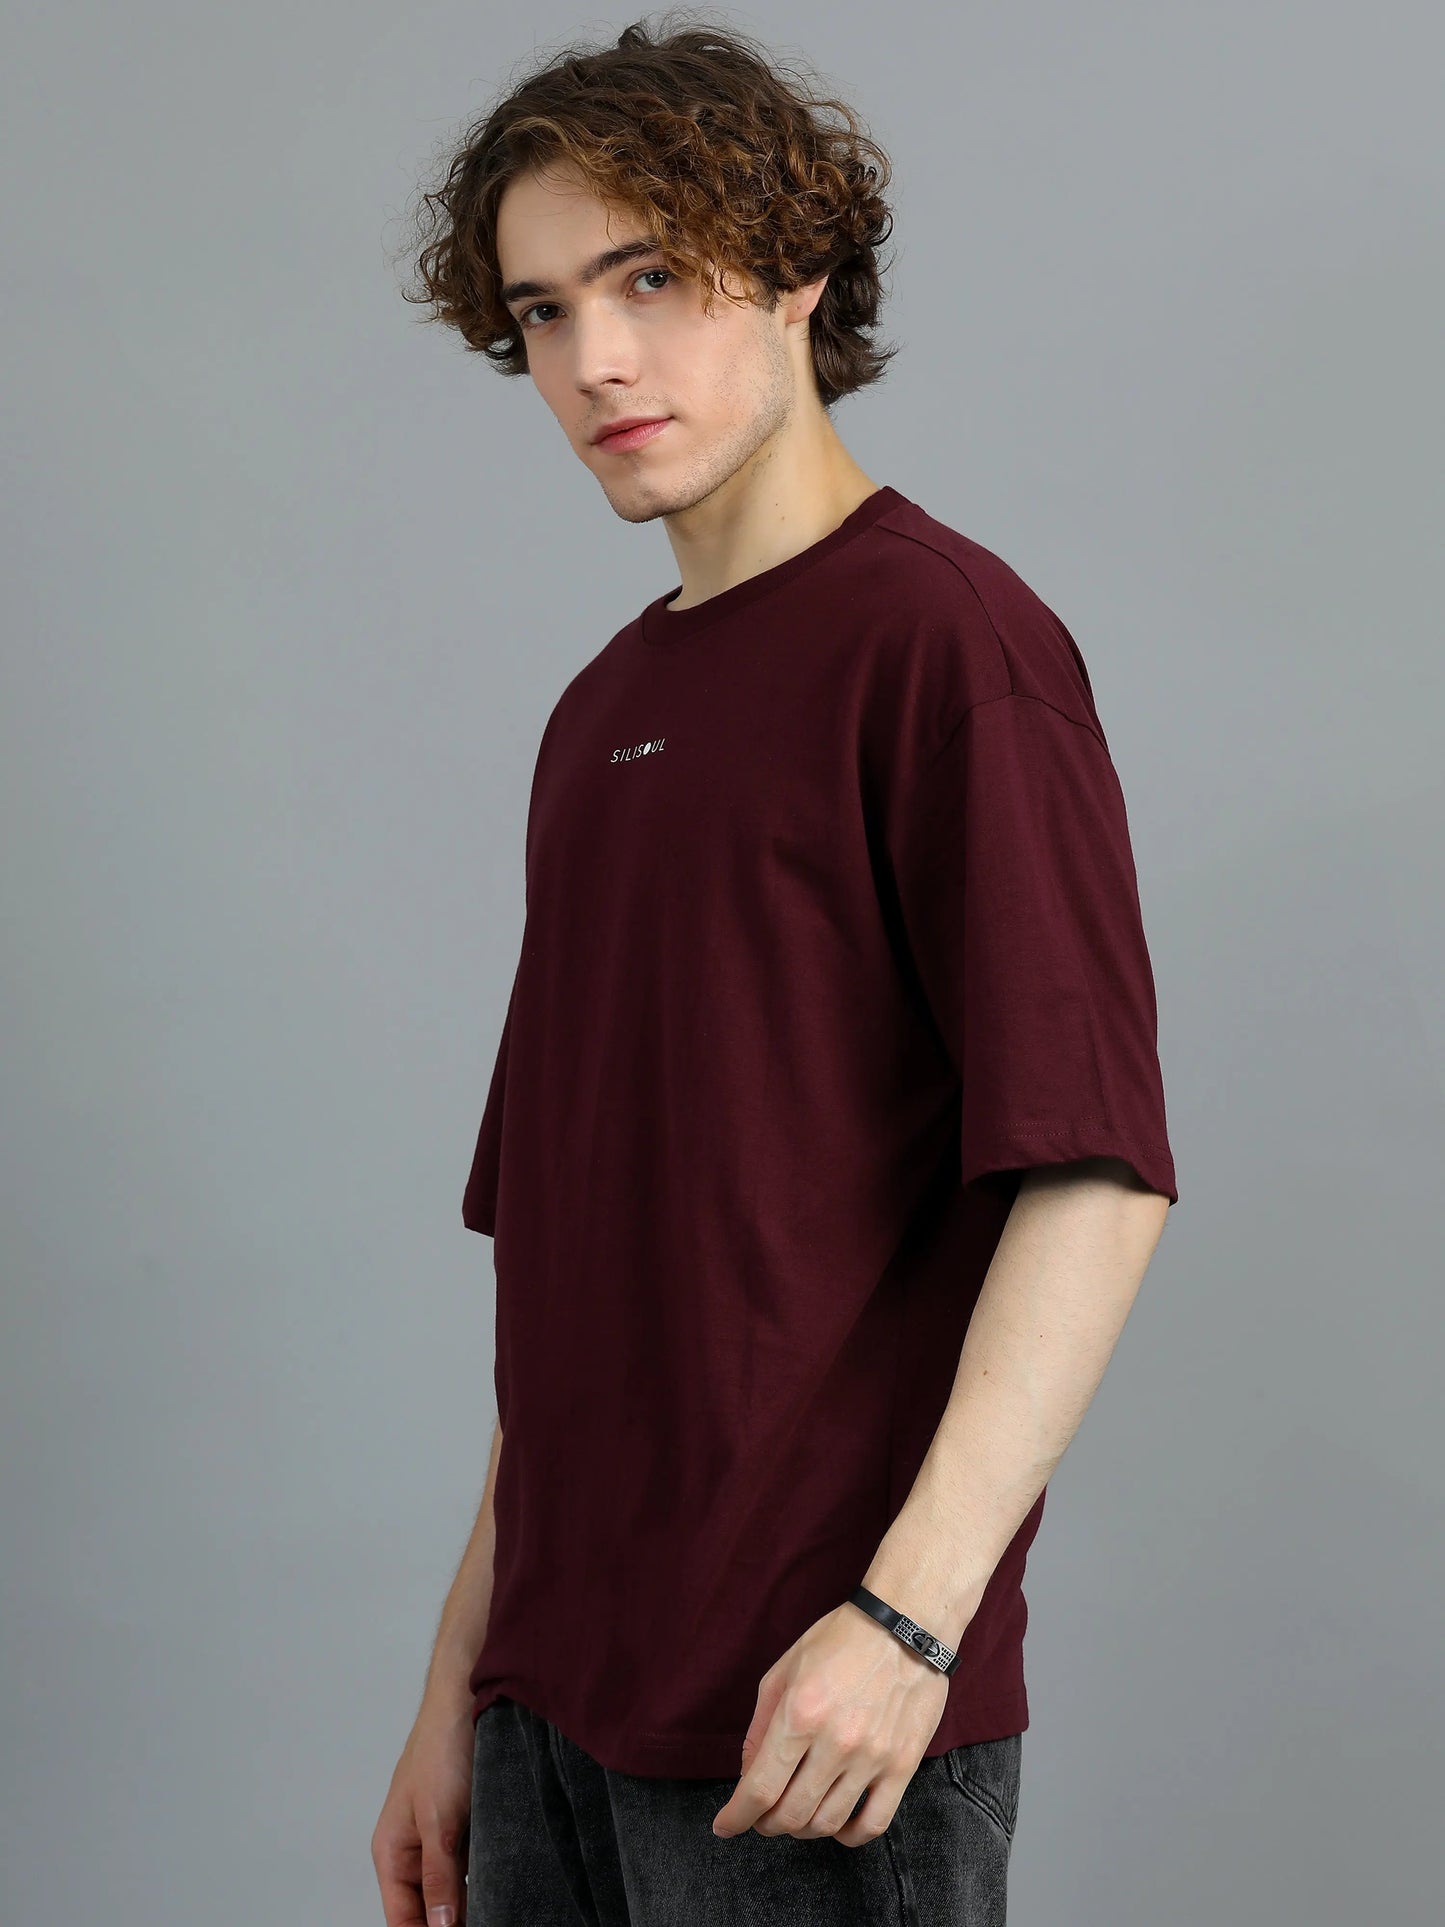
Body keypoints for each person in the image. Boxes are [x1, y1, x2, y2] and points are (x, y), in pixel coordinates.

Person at [372, 16, 1179, 1926]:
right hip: (551, 1711)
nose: (594, 359)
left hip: (808, 1714)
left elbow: (1091, 1173)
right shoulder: (598, 717)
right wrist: (456, 1687)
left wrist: (907, 1622)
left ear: (799, 269)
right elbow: (572, 1275)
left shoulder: (948, 648)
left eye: (649, 277)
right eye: (544, 311)